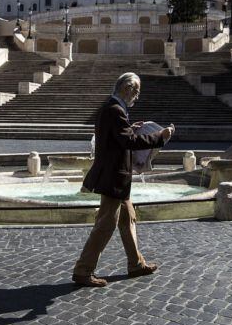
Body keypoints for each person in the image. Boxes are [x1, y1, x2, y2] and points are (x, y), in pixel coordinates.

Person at [72, 72, 174, 287]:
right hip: (113, 176)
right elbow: (128, 141)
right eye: (135, 90)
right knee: (106, 224)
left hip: (117, 176)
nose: (136, 95)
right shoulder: (115, 110)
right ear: (126, 88)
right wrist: (160, 137)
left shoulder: (112, 109)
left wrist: (131, 129)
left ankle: (135, 264)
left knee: (128, 219)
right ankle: (83, 270)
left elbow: (119, 136)